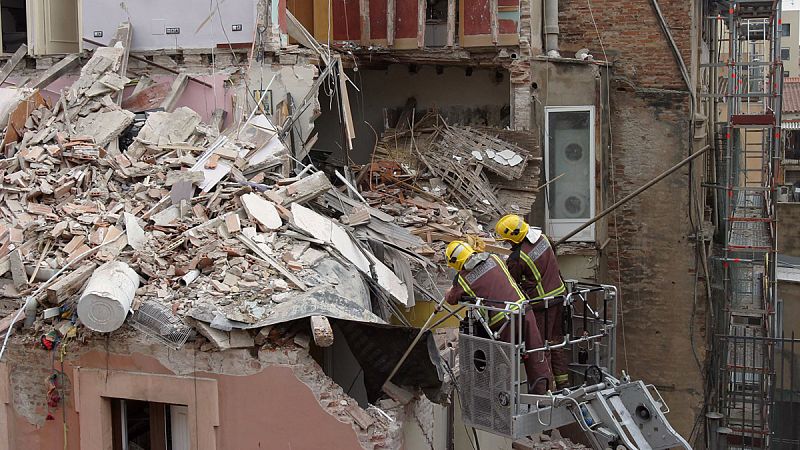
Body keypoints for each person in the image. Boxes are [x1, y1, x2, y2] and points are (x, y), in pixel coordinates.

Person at [444, 240, 554, 394]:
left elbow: (451, 299)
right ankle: (543, 394)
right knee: (535, 353)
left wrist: (449, 290)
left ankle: (504, 399)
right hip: (524, 310)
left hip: (503, 322)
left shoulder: (463, 278)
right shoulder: (494, 258)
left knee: (503, 362)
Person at [495, 214, 570, 389]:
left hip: (541, 305)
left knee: (540, 348)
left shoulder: (517, 258)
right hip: (560, 296)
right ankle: (563, 383)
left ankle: (546, 389)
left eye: (507, 241)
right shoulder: (543, 238)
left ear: (512, 238)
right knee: (556, 342)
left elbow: (511, 284)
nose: (507, 244)